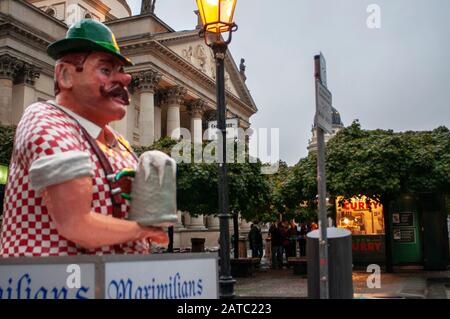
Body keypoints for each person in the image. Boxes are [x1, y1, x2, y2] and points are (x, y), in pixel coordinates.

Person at [0, 20, 168, 257]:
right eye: (106, 70)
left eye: (121, 71)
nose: (125, 80)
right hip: (53, 285)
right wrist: (144, 229)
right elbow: (76, 224)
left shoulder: (119, 144)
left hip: (121, 284)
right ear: (66, 75)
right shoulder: (45, 121)